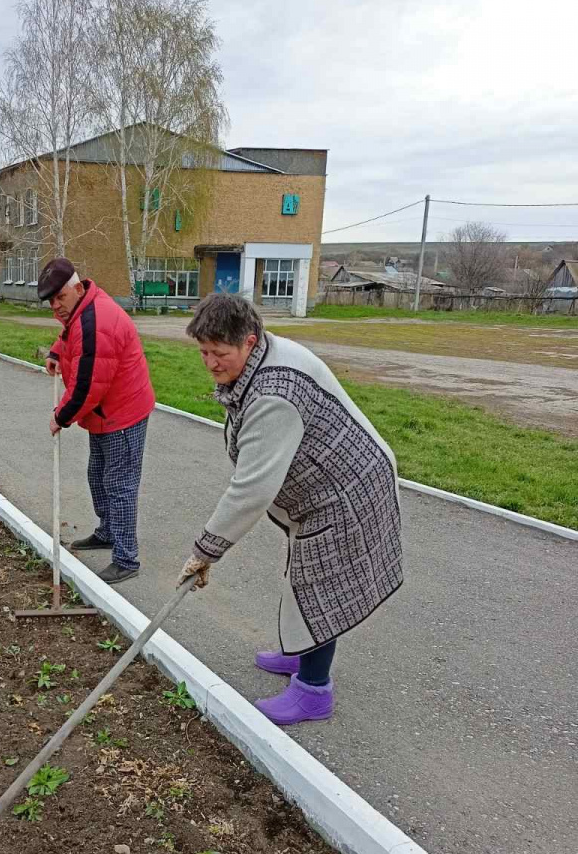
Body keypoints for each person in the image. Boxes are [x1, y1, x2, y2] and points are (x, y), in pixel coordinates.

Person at [178, 293, 403, 725]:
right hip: (325, 486)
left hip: (346, 492)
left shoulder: (274, 395)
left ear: (248, 340)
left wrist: (205, 551)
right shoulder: (264, 355)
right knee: (304, 577)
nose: (210, 363)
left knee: (319, 588)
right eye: (203, 351)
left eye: (219, 353)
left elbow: (251, 488)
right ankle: (301, 654)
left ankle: (314, 691)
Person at [37, 257, 155, 584]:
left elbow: (88, 386)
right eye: (51, 301)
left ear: (76, 288)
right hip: (106, 414)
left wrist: (60, 416)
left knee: (119, 485)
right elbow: (70, 334)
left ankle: (126, 558)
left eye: (59, 298)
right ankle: (108, 532)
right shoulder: (81, 309)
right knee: (97, 474)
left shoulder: (97, 320)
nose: (55, 306)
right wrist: (57, 354)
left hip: (122, 414)